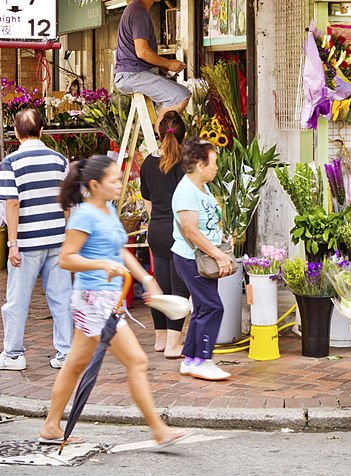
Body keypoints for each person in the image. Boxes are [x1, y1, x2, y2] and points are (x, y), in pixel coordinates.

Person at [38, 155, 189, 448]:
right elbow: (66, 258)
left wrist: (147, 279)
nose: (120, 184)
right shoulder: (83, 215)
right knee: (136, 361)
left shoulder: (106, 209)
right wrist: (100, 266)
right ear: (95, 185)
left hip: (107, 300)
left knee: (75, 365)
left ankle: (50, 425)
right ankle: (158, 430)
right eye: (114, 180)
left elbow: (120, 251)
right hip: (92, 301)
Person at [0, 109, 72, 371]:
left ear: (16, 133)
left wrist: (12, 243)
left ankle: (13, 354)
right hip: (57, 238)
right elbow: (68, 202)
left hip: (26, 242)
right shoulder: (59, 160)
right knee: (61, 299)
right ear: (42, 131)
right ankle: (66, 353)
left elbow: (12, 204)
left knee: (17, 299)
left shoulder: (11, 163)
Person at [172, 138, 235, 381]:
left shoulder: (202, 186)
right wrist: (218, 253)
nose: (216, 167)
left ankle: (191, 358)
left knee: (202, 307)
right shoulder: (186, 191)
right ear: (200, 164)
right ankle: (203, 359)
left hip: (203, 256)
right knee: (212, 306)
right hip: (193, 258)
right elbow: (190, 231)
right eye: (214, 162)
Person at [113, 0, 190, 127]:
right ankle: (161, 139)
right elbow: (142, 52)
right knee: (180, 95)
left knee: (174, 95)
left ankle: (156, 137)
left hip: (131, 74)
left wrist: (160, 67)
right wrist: (168, 64)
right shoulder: (139, 13)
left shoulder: (135, 10)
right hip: (132, 75)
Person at [140, 111, 189, 357]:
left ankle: (160, 339)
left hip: (157, 230)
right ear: (184, 136)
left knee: (160, 286)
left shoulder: (148, 162)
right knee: (179, 289)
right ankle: (173, 344)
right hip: (178, 231)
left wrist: (156, 222)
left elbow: (147, 201)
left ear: (160, 134)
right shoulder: (185, 164)